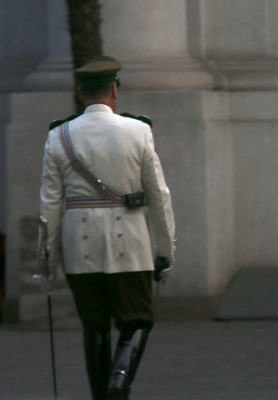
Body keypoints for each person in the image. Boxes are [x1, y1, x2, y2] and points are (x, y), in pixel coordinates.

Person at [39, 56, 175, 400]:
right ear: (114, 90)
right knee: (138, 320)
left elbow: (50, 205)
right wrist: (165, 250)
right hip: (129, 243)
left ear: (81, 93)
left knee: (94, 325)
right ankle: (119, 380)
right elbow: (159, 195)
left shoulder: (59, 136)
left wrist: (47, 261)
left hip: (79, 246)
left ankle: (102, 395)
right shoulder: (138, 131)